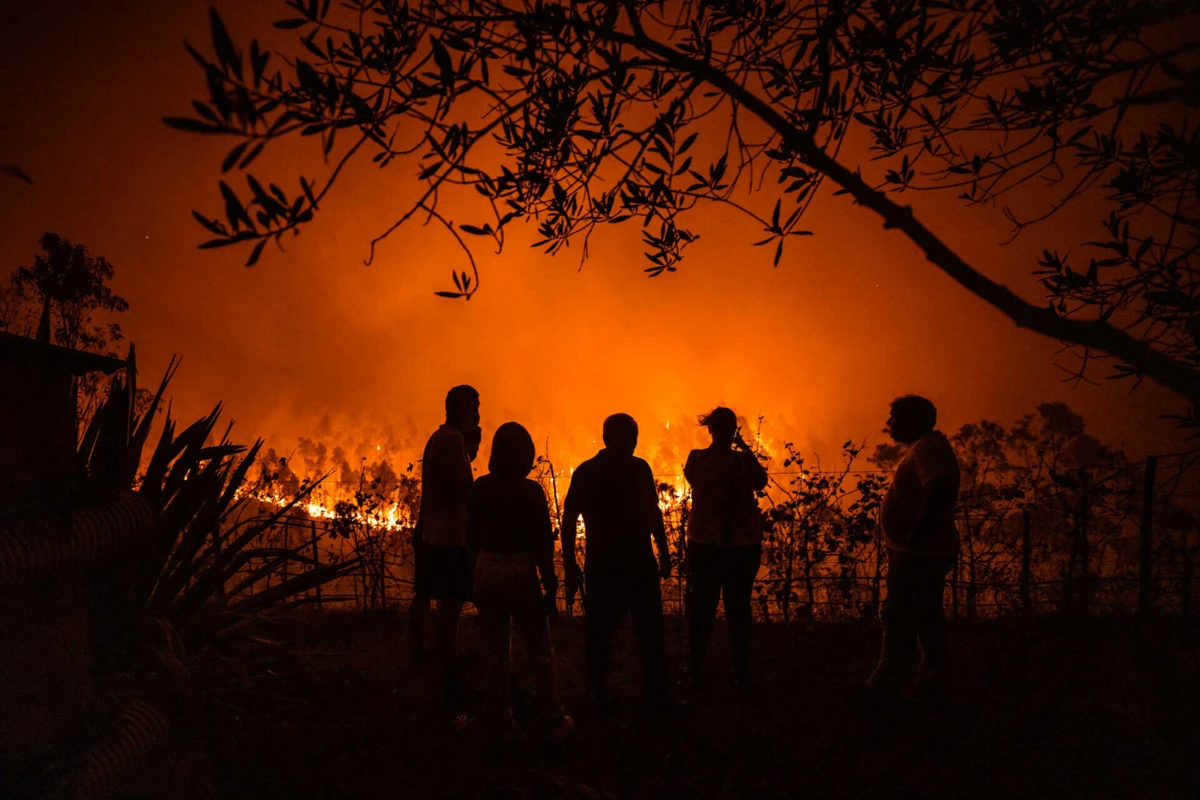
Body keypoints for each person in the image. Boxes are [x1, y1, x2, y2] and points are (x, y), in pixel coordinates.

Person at [561, 413, 674, 710]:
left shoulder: (600, 471)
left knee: (622, 633)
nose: (633, 444)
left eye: (634, 438)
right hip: (621, 565)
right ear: (610, 439)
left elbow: (652, 512)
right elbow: (570, 518)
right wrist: (570, 563)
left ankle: (625, 693)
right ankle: (637, 694)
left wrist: (663, 551)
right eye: (629, 438)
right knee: (622, 633)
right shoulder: (618, 470)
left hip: (618, 564)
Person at [467, 422, 572, 737]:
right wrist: (550, 582)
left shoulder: (480, 488)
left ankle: (499, 717)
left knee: (495, 648)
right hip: (519, 572)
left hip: (486, 568)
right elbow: (542, 541)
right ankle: (553, 718)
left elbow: (470, 536)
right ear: (524, 455)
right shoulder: (530, 492)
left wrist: (475, 571)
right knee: (538, 646)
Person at [867, 395, 960, 702]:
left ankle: (888, 684)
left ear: (910, 420)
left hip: (918, 552)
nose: (888, 423)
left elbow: (938, 489)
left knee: (900, 615)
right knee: (924, 615)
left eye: (892, 416)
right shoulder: (927, 447)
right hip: (920, 550)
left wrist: (916, 535)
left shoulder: (927, 449)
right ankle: (930, 682)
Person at [683, 407, 768, 690]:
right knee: (738, 607)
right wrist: (743, 447)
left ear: (710, 429)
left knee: (703, 606)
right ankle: (741, 670)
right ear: (734, 430)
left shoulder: (697, 459)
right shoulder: (743, 461)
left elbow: (693, 480)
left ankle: (695, 669)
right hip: (741, 545)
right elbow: (762, 483)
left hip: (705, 543)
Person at [410, 385, 480, 714]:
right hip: (450, 537)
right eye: (475, 406)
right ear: (462, 408)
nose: (479, 412)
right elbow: (457, 488)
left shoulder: (441, 438)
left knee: (433, 601)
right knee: (450, 609)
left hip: (434, 533)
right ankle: (450, 678)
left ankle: (430, 657)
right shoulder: (452, 441)